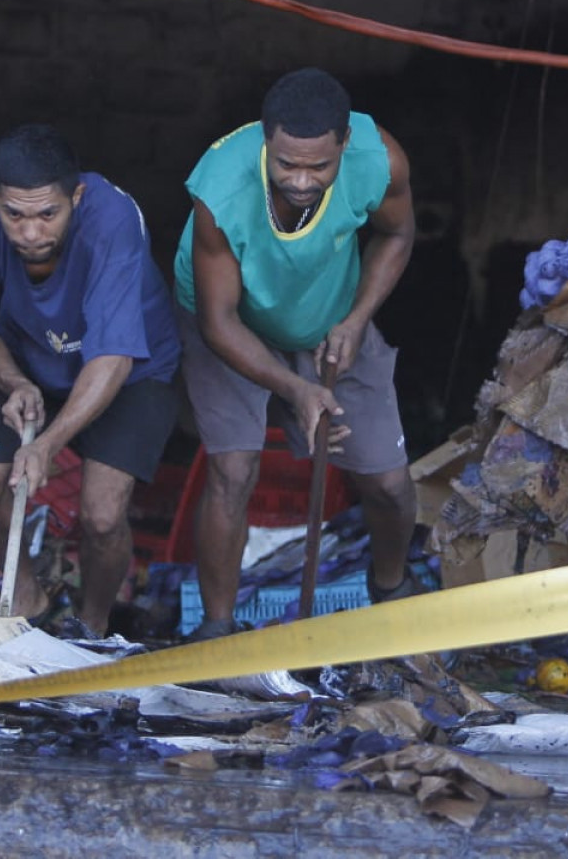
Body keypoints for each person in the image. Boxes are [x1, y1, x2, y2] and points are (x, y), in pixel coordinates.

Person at [174, 68, 419, 641]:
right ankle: (218, 632)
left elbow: (398, 235)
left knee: (388, 482)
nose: (303, 180)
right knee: (234, 470)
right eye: (287, 165)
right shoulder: (220, 187)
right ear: (265, 141)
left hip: (327, 313)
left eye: (319, 167)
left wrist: (357, 319)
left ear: (344, 146)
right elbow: (218, 322)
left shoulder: (381, 159)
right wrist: (298, 390)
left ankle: (392, 593)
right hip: (232, 327)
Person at [0, 124, 181, 635]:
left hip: (129, 369)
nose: (30, 233)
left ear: (77, 197)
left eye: (48, 213)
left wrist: (47, 443)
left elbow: (113, 356)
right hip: (26, 360)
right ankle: (32, 602)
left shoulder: (112, 219)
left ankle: (91, 627)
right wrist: (14, 382)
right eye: (13, 215)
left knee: (103, 517)